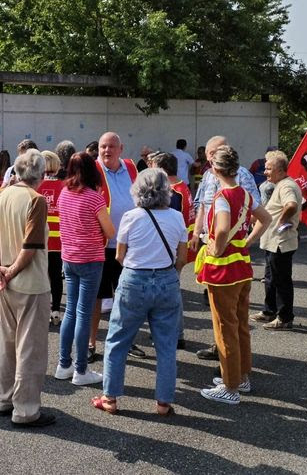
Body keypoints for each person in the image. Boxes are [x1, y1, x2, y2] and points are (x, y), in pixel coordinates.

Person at [91, 169, 188, 416]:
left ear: (137, 190)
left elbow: (119, 255)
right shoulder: (177, 217)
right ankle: (163, 402)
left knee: (117, 339)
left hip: (134, 278)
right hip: (166, 279)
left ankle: (110, 398)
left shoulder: (131, 217)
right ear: (166, 190)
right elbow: (183, 257)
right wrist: (170, 274)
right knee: (166, 345)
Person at [0, 149, 56, 428]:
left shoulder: (4, 195)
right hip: (31, 283)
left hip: (7, 282)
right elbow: (32, 246)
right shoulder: (36, 200)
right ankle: (26, 409)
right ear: (42, 174)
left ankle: (4, 398)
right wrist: (11, 270)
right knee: (31, 348)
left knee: (9, 343)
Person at [196, 146, 270, 405]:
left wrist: (213, 246)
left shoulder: (221, 196)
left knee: (224, 326)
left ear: (214, 169)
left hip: (223, 270)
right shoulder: (245, 194)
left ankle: (230, 386)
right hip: (242, 267)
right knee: (240, 324)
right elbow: (266, 218)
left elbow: (224, 227)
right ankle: (241, 376)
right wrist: (247, 241)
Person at [189, 135, 262, 361]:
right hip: (211, 243)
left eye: (216, 153)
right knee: (217, 308)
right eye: (210, 154)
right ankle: (221, 349)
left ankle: (230, 367)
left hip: (226, 250)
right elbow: (202, 205)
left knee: (229, 313)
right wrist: (195, 234)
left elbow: (254, 208)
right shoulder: (209, 177)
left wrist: (242, 240)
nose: (211, 159)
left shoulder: (240, 178)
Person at [54, 152, 114, 386]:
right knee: (83, 314)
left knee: (71, 311)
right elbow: (110, 231)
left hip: (69, 257)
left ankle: (64, 364)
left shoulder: (64, 193)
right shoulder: (94, 198)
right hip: (90, 259)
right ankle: (81, 370)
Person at [90, 132, 141, 361]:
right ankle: (91, 344)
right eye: (102, 146)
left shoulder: (131, 167)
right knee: (96, 298)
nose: (106, 151)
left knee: (126, 298)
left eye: (111, 146)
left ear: (121, 148)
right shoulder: (92, 170)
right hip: (101, 245)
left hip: (128, 246)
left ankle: (126, 341)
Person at [251, 150, 302, 330]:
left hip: (281, 242)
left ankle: (285, 317)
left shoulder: (286, 186)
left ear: (280, 170)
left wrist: (282, 220)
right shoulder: (279, 184)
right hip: (272, 242)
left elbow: (291, 205)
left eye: (268, 168)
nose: (265, 172)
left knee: (281, 281)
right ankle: (269, 311)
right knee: (271, 279)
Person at [149, 151, 193, 348]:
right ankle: (175, 333)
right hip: (180, 247)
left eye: (152, 167)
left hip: (171, 250)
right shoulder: (183, 187)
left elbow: (167, 223)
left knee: (170, 294)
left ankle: (176, 334)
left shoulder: (172, 192)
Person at [38, 150, 65, 325]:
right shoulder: (64, 186)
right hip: (59, 241)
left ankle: (43, 309)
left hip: (39, 241)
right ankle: (56, 309)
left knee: (40, 277)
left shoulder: (35, 186)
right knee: (56, 276)